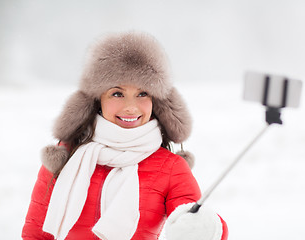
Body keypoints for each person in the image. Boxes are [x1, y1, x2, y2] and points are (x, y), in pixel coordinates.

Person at [22, 31, 228, 240]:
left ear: (156, 101)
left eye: (142, 93)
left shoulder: (171, 168)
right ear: (97, 100)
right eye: (117, 94)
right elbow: (35, 235)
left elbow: (198, 224)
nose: (131, 107)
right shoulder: (66, 157)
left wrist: (201, 227)